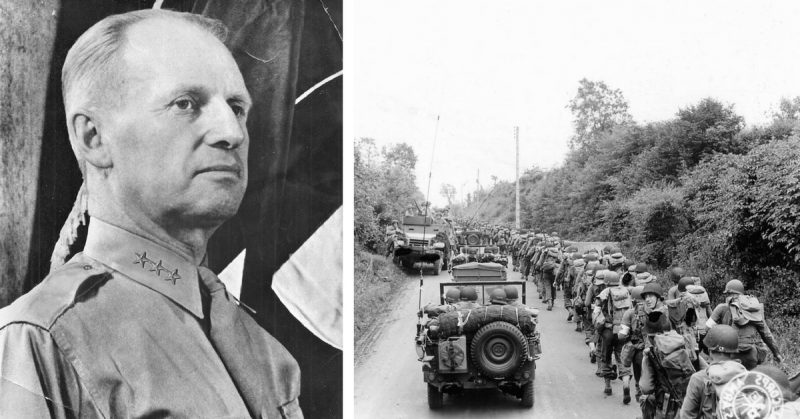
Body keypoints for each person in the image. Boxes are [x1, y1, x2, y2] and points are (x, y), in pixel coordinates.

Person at [0, 10, 303, 417]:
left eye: (237, 107)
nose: (231, 132)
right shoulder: (40, 341)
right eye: (185, 104)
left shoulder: (266, 352)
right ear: (94, 137)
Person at [706, 279, 782, 369]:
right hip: (750, 354)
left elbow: (707, 328)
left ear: (728, 294)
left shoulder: (721, 308)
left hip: (729, 355)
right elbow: (767, 335)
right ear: (741, 293)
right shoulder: (753, 309)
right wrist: (777, 353)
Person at [680, 325, 747, 419]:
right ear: (734, 352)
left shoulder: (698, 379)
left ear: (709, 350)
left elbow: (686, 416)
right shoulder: (746, 376)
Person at [639, 311, 695, 419]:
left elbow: (646, 387)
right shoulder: (686, 342)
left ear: (649, 336)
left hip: (666, 406)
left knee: (645, 398)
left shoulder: (650, 353)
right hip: (692, 402)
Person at [596, 271, 633, 401]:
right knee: (621, 357)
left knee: (605, 356)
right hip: (622, 329)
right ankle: (626, 385)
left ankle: (607, 386)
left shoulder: (604, 293)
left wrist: (598, 326)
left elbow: (596, 312)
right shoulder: (626, 291)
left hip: (608, 330)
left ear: (606, 281)